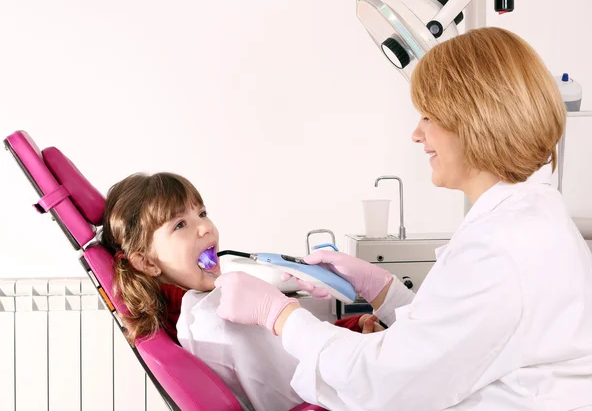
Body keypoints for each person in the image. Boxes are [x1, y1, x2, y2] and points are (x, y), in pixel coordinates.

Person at [214, 27, 592, 410]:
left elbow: (386, 384)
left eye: (428, 117)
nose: (417, 134)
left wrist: (280, 315)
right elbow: (461, 341)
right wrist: (384, 292)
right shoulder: (530, 216)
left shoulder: (499, 248)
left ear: (476, 120)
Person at [100, 172, 382, 411]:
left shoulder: (206, 306)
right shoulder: (209, 319)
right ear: (147, 261)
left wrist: (352, 330)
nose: (205, 228)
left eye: (202, 213)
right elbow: (297, 392)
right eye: (180, 225)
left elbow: (290, 357)